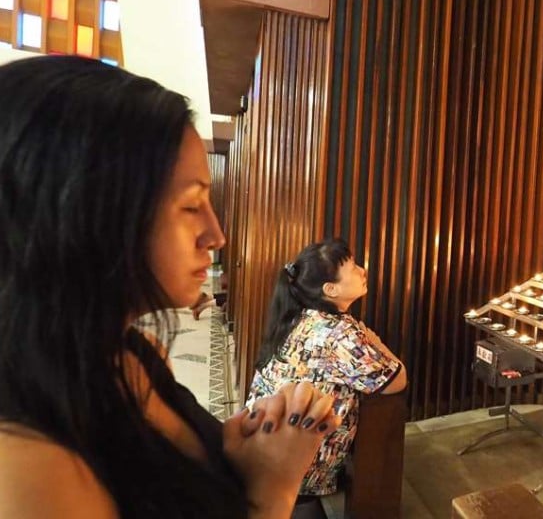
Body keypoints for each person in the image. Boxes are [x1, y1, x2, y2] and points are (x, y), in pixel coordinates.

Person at [0, 55, 339, 518]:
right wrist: (274, 490)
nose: (216, 236)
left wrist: (237, 451)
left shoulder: (129, 353)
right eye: (190, 205)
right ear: (90, 214)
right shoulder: (28, 468)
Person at [247, 238, 407, 519]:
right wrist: (377, 342)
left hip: (260, 447)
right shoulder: (338, 334)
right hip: (297, 463)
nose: (363, 270)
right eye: (354, 267)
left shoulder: (300, 316)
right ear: (330, 289)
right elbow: (396, 379)